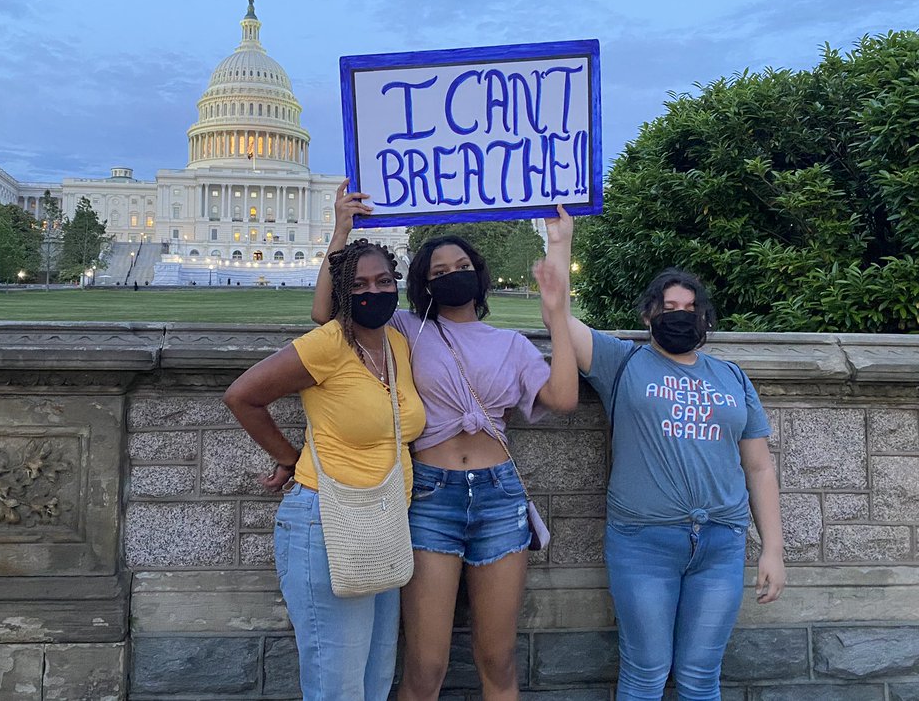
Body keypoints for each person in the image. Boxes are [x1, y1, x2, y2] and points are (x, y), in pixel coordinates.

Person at [312, 180, 579, 701]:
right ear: (423, 286)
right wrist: (342, 228)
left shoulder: (512, 344)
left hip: (501, 498)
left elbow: (564, 398)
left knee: (497, 659)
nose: (452, 277)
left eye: (461, 269)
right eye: (439, 273)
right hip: (431, 495)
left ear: (478, 278)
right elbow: (328, 314)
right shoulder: (407, 331)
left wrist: (558, 312)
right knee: (426, 664)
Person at [551, 210, 785, 700]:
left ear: (704, 317)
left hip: (721, 543)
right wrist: (562, 242)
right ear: (648, 315)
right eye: (668, 305)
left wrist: (773, 549)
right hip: (644, 544)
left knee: (702, 679)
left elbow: (759, 467)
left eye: (690, 307)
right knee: (646, 674)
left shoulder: (732, 377)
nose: (680, 314)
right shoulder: (622, 362)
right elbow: (558, 316)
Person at [223, 238, 426, 700]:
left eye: (382, 281)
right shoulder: (327, 344)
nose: (372, 292)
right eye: (357, 285)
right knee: (337, 684)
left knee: (375, 680)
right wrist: (289, 459)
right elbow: (242, 396)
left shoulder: (397, 343)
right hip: (326, 520)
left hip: (385, 522)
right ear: (340, 295)